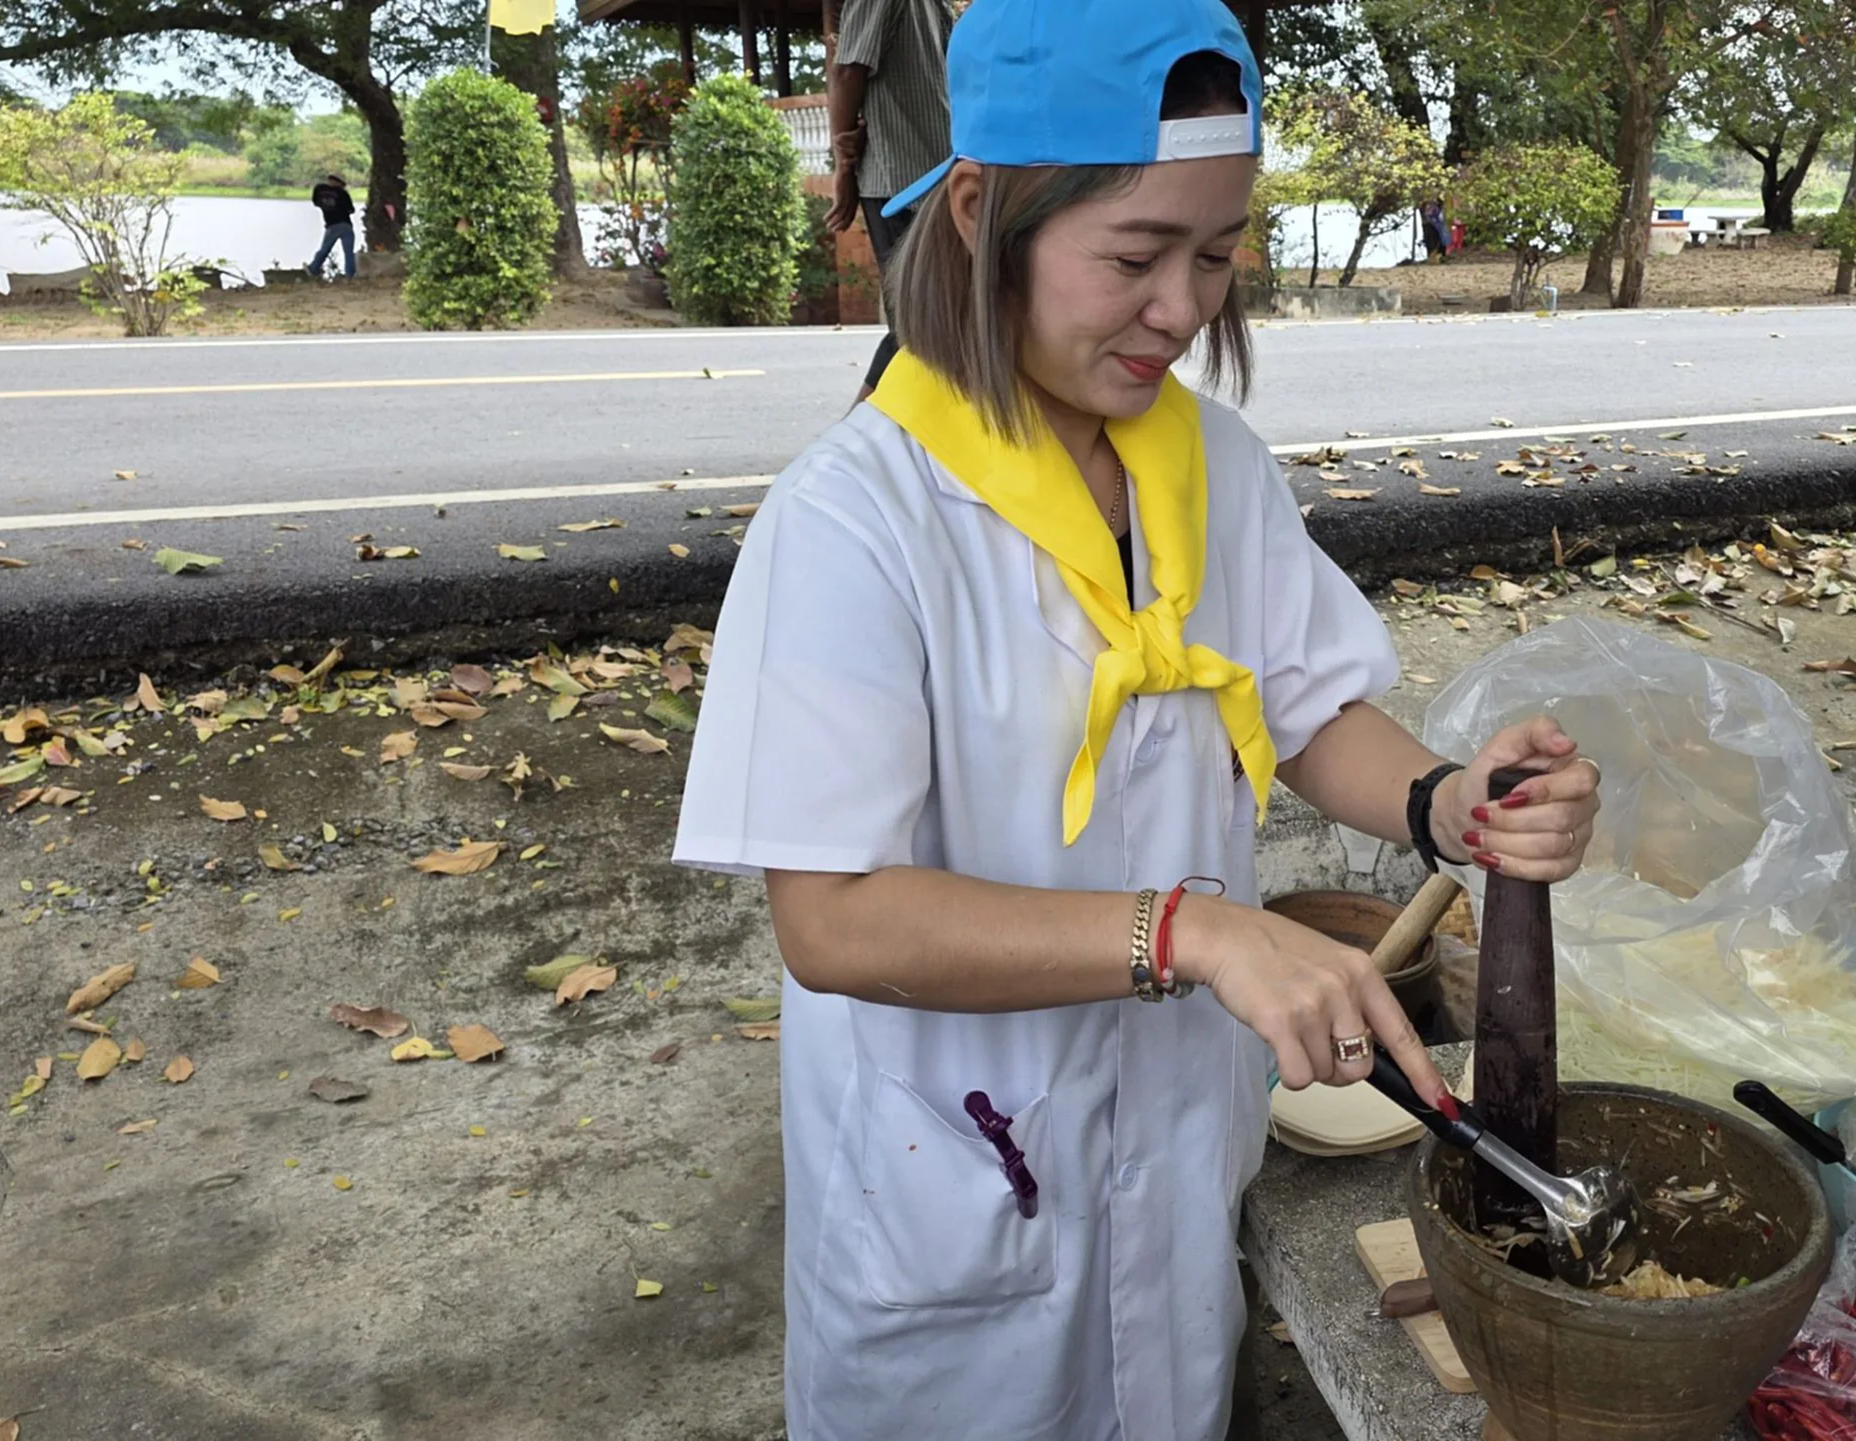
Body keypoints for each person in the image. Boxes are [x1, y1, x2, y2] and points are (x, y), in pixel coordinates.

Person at [672, 2, 1602, 1436]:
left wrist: (1448, 801)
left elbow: (1301, 707)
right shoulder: (856, 521)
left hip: (1169, 1150)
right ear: (979, 212)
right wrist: (1188, 933)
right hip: (958, 1175)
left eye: (1217, 255)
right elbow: (836, 920)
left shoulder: (1206, 464)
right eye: (1133, 257)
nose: (1182, 310)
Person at [826, 0, 955, 401]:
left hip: (914, 179)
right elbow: (848, 71)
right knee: (918, 328)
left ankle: (865, 431)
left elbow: (848, 70)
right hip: (905, 182)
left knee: (927, 327)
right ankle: (855, 433)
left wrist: (843, 164)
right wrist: (844, 163)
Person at [307, 174, 357, 280]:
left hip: (332, 225)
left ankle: (313, 268)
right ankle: (350, 275)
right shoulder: (343, 193)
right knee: (348, 252)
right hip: (346, 224)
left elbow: (316, 202)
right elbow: (351, 210)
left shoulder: (320, 190)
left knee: (325, 249)